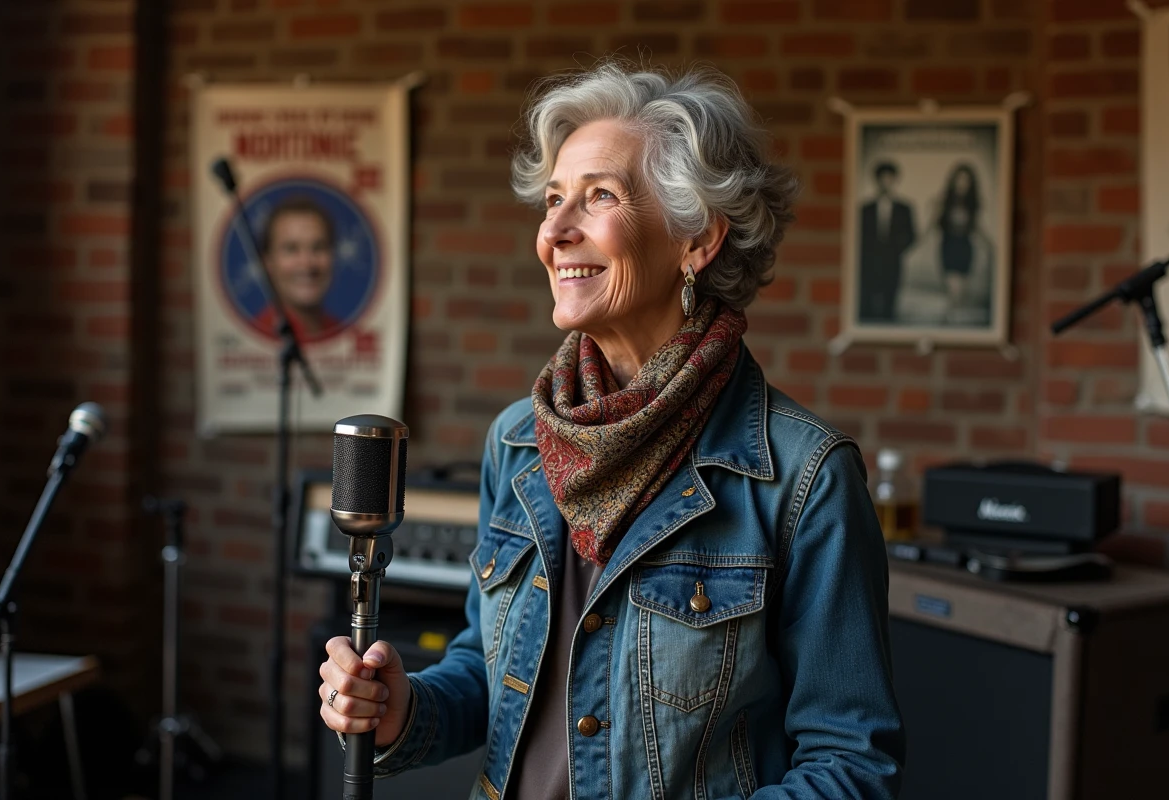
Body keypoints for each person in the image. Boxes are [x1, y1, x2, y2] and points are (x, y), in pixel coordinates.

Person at [318, 63, 905, 799]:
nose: (555, 232)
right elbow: (491, 670)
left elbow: (851, 766)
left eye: (599, 196)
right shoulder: (519, 440)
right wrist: (405, 709)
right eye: (553, 199)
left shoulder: (805, 476)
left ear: (697, 239)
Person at [251, 195, 341, 342]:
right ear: (267, 262)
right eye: (291, 249)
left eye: (318, 247)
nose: (307, 263)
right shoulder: (252, 339)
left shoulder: (343, 335)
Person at [858, 161, 916, 323]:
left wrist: (896, 250)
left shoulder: (904, 208)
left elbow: (912, 235)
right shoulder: (865, 209)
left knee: (890, 300)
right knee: (868, 302)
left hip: (892, 262)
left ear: (895, 180)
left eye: (890, 178)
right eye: (883, 178)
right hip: (869, 262)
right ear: (877, 180)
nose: (886, 182)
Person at [936, 164, 980, 317]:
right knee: (951, 286)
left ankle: (956, 314)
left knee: (962, 287)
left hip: (964, 246)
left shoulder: (974, 203)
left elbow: (979, 228)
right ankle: (951, 314)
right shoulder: (945, 201)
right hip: (949, 245)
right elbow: (935, 224)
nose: (962, 183)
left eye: (965, 180)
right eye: (959, 179)